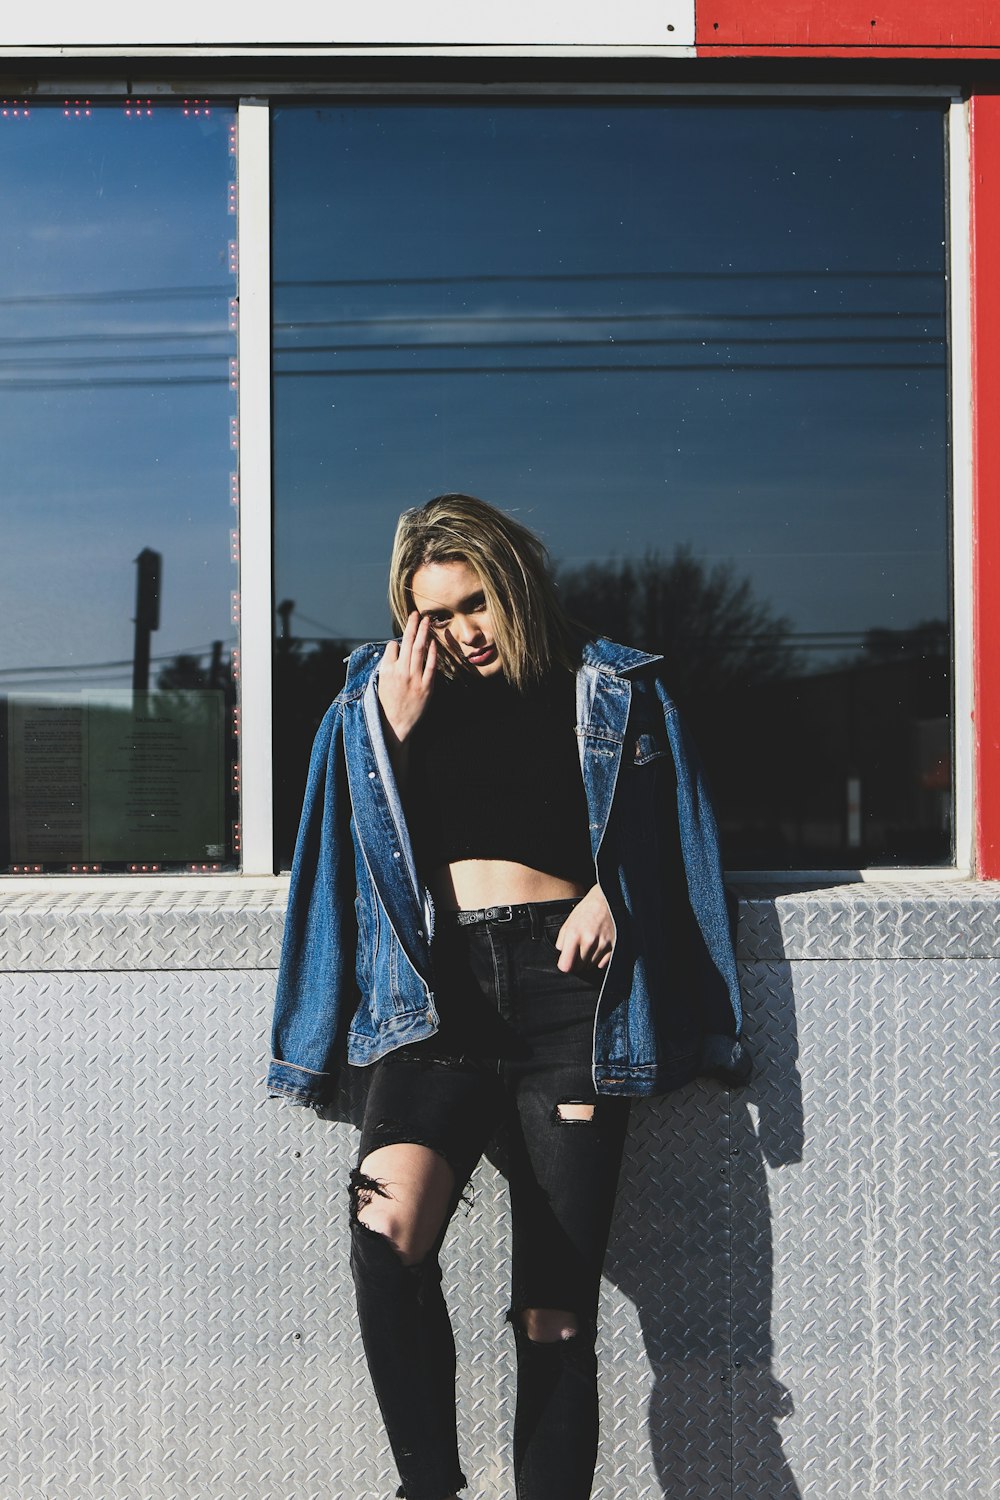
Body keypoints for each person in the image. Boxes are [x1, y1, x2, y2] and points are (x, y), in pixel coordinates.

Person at [267, 493, 751, 1500]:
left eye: (472, 603)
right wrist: (391, 734)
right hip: (435, 1006)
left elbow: (678, 847)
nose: (456, 633)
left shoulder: (610, 687)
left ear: (515, 582)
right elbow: (340, 855)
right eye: (431, 612)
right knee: (382, 1234)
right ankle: (430, 1489)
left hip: (569, 999)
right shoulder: (376, 696)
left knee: (557, 1315)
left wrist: (620, 898)